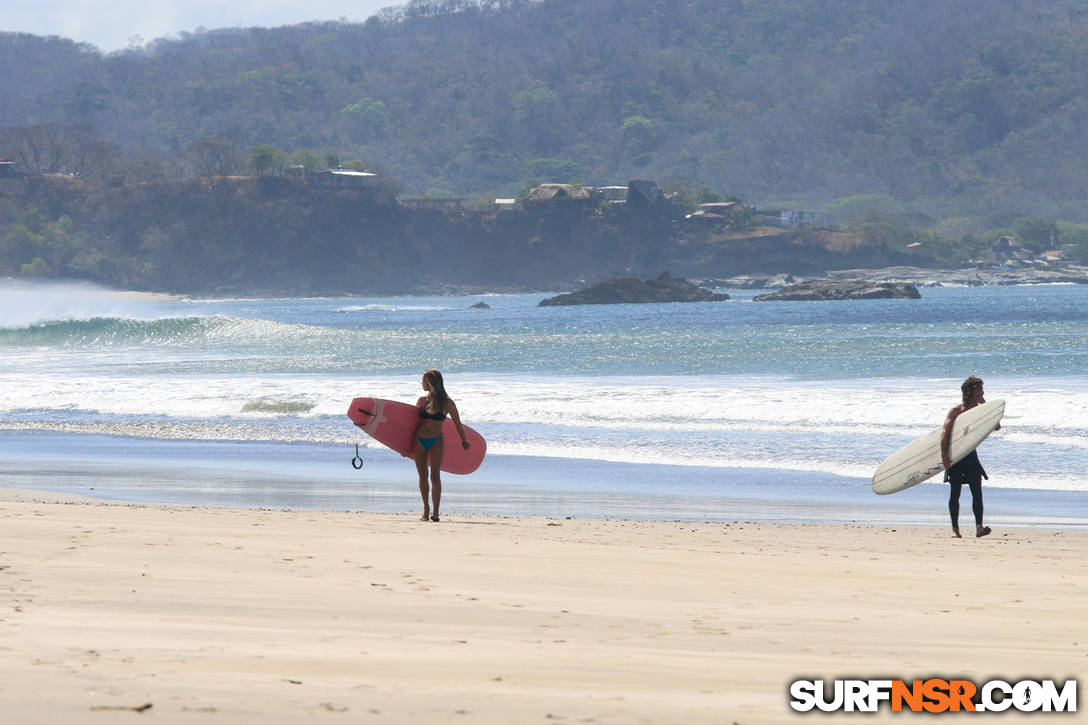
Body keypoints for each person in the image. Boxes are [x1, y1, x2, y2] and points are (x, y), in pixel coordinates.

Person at [940, 375, 999, 538]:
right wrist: (944, 455)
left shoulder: (980, 411)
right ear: (972, 392)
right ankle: (955, 529)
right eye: (980, 390)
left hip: (971, 456)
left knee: (977, 493)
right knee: (955, 493)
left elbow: (997, 427)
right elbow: (945, 434)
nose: (983, 392)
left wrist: (985, 405)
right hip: (957, 456)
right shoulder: (956, 411)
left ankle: (979, 527)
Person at [412, 369, 470, 522]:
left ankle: (436, 512)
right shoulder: (421, 401)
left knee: (435, 476)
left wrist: (464, 440)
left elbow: (458, 423)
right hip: (419, 441)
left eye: (423, 380)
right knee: (423, 476)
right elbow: (410, 424)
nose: (421, 383)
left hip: (437, 441)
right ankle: (426, 510)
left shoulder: (447, 403)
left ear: (431, 382)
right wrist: (402, 447)